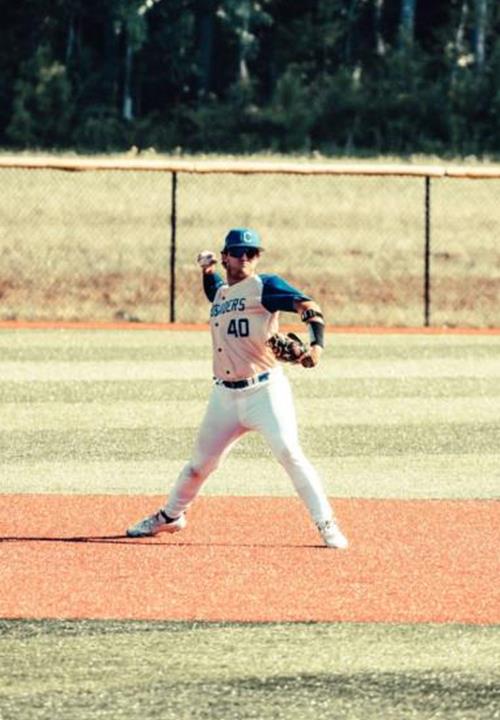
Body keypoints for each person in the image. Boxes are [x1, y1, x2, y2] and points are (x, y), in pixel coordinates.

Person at [127, 228, 348, 548]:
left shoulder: (265, 286)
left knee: (289, 453)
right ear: (226, 256)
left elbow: (308, 306)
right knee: (198, 467)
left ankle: (327, 524)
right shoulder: (222, 295)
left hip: (265, 392)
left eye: (252, 253)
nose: (245, 257)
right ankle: (171, 516)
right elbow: (215, 289)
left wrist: (317, 346)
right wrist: (207, 270)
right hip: (225, 397)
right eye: (237, 252)